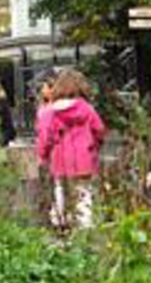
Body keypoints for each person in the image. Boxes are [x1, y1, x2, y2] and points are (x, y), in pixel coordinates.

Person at [35, 68, 106, 229]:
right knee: (83, 191)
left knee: (59, 188)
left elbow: (44, 137)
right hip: (84, 157)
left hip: (59, 158)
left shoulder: (49, 112)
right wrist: (94, 146)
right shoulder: (86, 108)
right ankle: (86, 224)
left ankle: (61, 222)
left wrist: (43, 155)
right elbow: (99, 130)